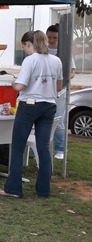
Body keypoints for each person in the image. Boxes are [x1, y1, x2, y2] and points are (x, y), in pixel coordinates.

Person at [0, 31, 62, 199]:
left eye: (24, 47)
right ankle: (43, 190)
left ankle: (13, 188)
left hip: (29, 105)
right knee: (43, 148)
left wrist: (13, 83)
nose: (24, 50)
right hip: (49, 105)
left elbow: (20, 86)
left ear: (28, 44)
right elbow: (59, 86)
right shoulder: (56, 60)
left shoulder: (30, 60)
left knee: (18, 147)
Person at [46, 23, 75, 161]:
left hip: (60, 91)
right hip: (44, 91)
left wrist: (62, 80)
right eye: (49, 37)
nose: (51, 40)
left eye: (55, 38)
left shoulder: (64, 52)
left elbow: (72, 72)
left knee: (58, 120)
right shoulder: (42, 51)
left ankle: (60, 149)